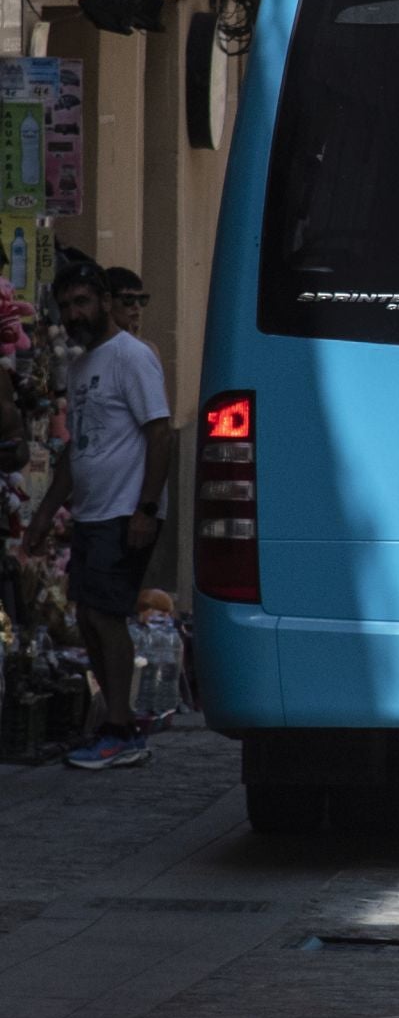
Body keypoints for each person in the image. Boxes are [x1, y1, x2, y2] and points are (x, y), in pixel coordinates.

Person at [27, 261, 174, 769]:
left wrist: (146, 509)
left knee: (102, 615)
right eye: (66, 307)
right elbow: (77, 448)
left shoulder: (130, 358)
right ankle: (113, 720)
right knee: (88, 617)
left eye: (83, 302)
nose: (74, 314)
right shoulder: (80, 366)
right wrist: (47, 511)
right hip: (93, 512)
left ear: (106, 302)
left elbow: (159, 432)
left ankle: (122, 728)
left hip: (124, 509)